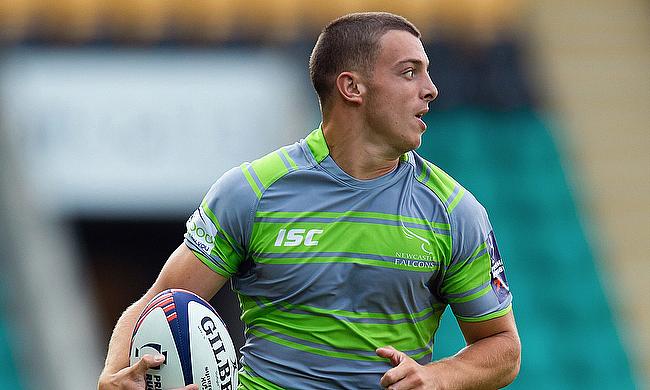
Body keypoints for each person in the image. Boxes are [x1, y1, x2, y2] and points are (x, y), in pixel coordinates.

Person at [98, 11, 520, 390]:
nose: (431, 90)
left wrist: (438, 376)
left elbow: (502, 347)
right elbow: (160, 299)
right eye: (409, 72)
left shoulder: (453, 211)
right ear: (352, 87)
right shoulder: (251, 191)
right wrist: (114, 374)